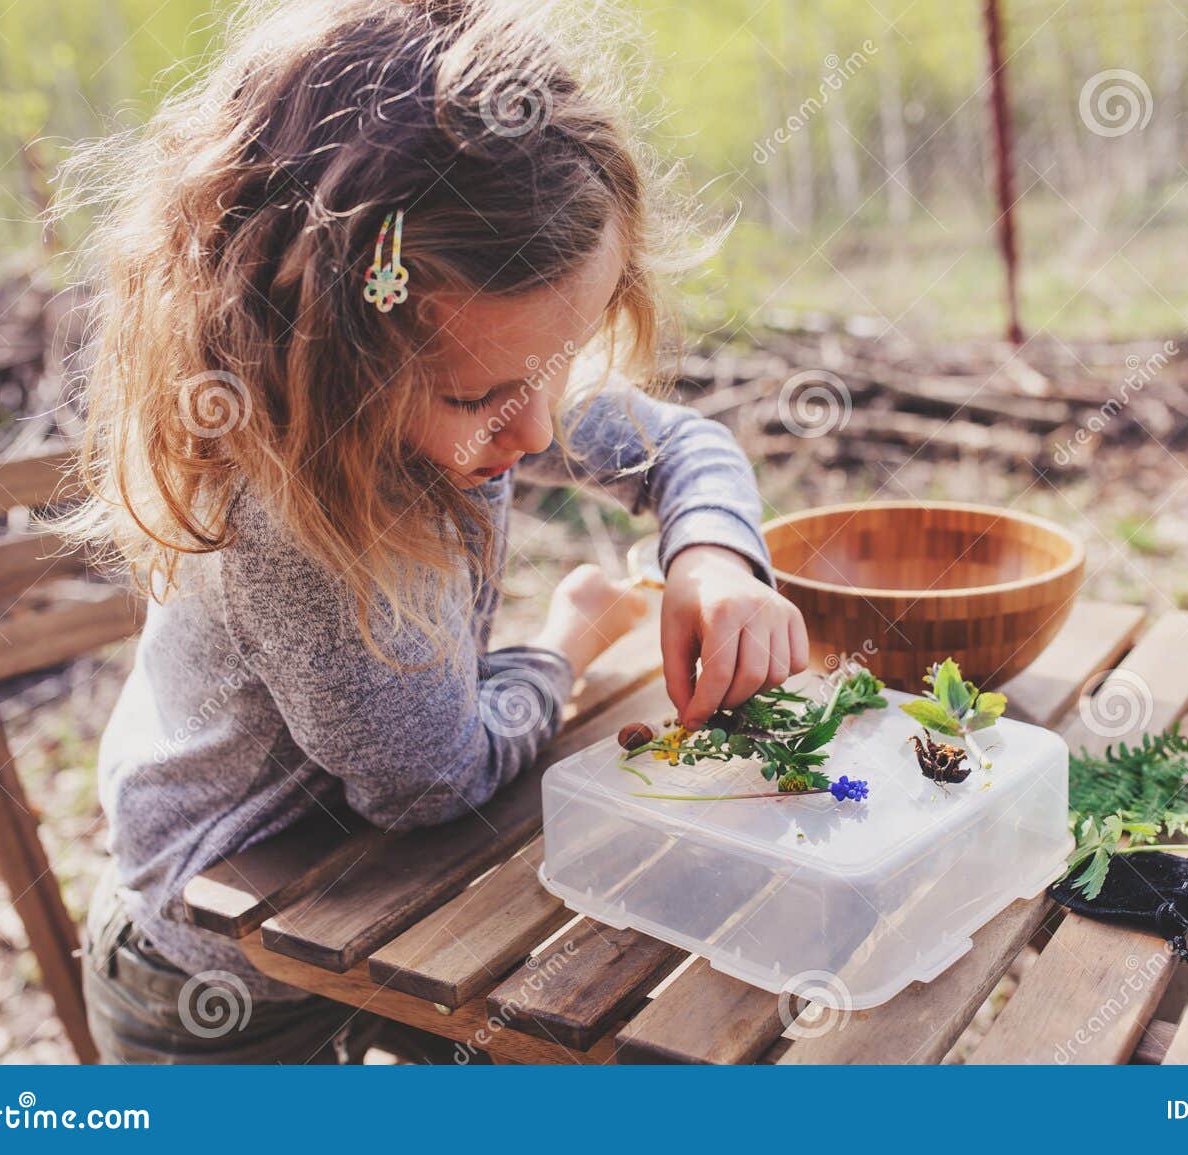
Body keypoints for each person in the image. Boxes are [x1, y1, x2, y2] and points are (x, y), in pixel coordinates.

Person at [57, 0, 809, 1062]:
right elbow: (433, 782)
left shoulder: (472, 366)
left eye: (561, 364)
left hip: (377, 906)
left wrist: (715, 560)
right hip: (229, 989)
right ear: (324, 366)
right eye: (485, 399)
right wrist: (564, 647)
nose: (544, 429)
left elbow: (682, 446)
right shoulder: (290, 535)